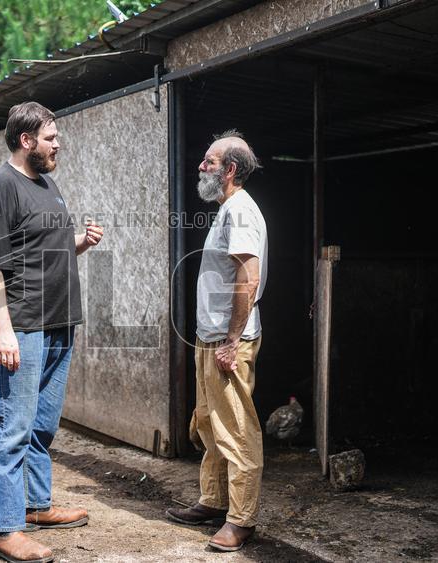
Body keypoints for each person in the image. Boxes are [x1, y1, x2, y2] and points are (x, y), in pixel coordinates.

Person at [0, 101, 104, 563]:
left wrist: (81, 243)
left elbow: (45, 250)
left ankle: (35, 505)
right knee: (13, 427)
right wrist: (3, 332)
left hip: (60, 322)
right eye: (50, 138)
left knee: (42, 425)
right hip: (24, 327)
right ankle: (4, 528)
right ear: (26, 141)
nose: (58, 144)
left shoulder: (46, 185)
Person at [166, 130, 267, 552]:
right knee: (210, 423)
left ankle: (241, 520)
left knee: (237, 430)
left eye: (209, 161)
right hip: (211, 338)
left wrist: (231, 340)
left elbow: (248, 278)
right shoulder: (227, 210)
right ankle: (214, 500)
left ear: (229, 169)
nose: (200, 166)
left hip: (228, 342)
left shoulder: (240, 211)